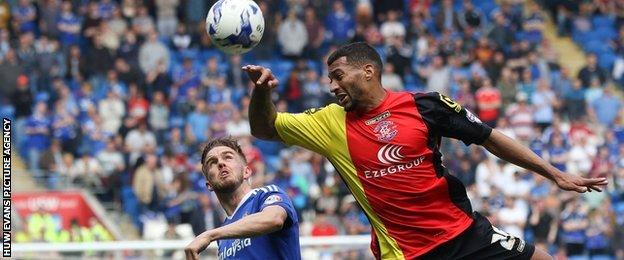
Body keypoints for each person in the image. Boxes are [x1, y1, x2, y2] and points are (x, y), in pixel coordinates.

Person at [244, 42, 608, 260]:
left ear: (368, 71)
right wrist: (261, 93)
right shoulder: (329, 121)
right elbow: (263, 128)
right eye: (329, 78)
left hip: (463, 234)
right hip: (404, 254)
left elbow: (489, 136)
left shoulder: (425, 105)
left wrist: (555, 174)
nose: (331, 85)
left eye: (338, 75)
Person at [184, 137, 300, 260]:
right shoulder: (223, 239)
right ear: (209, 185)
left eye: (228, 157)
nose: (220, 163)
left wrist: (210, 235)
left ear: (246, 172)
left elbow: (274, 219)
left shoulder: (266, 194)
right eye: (212, 162)